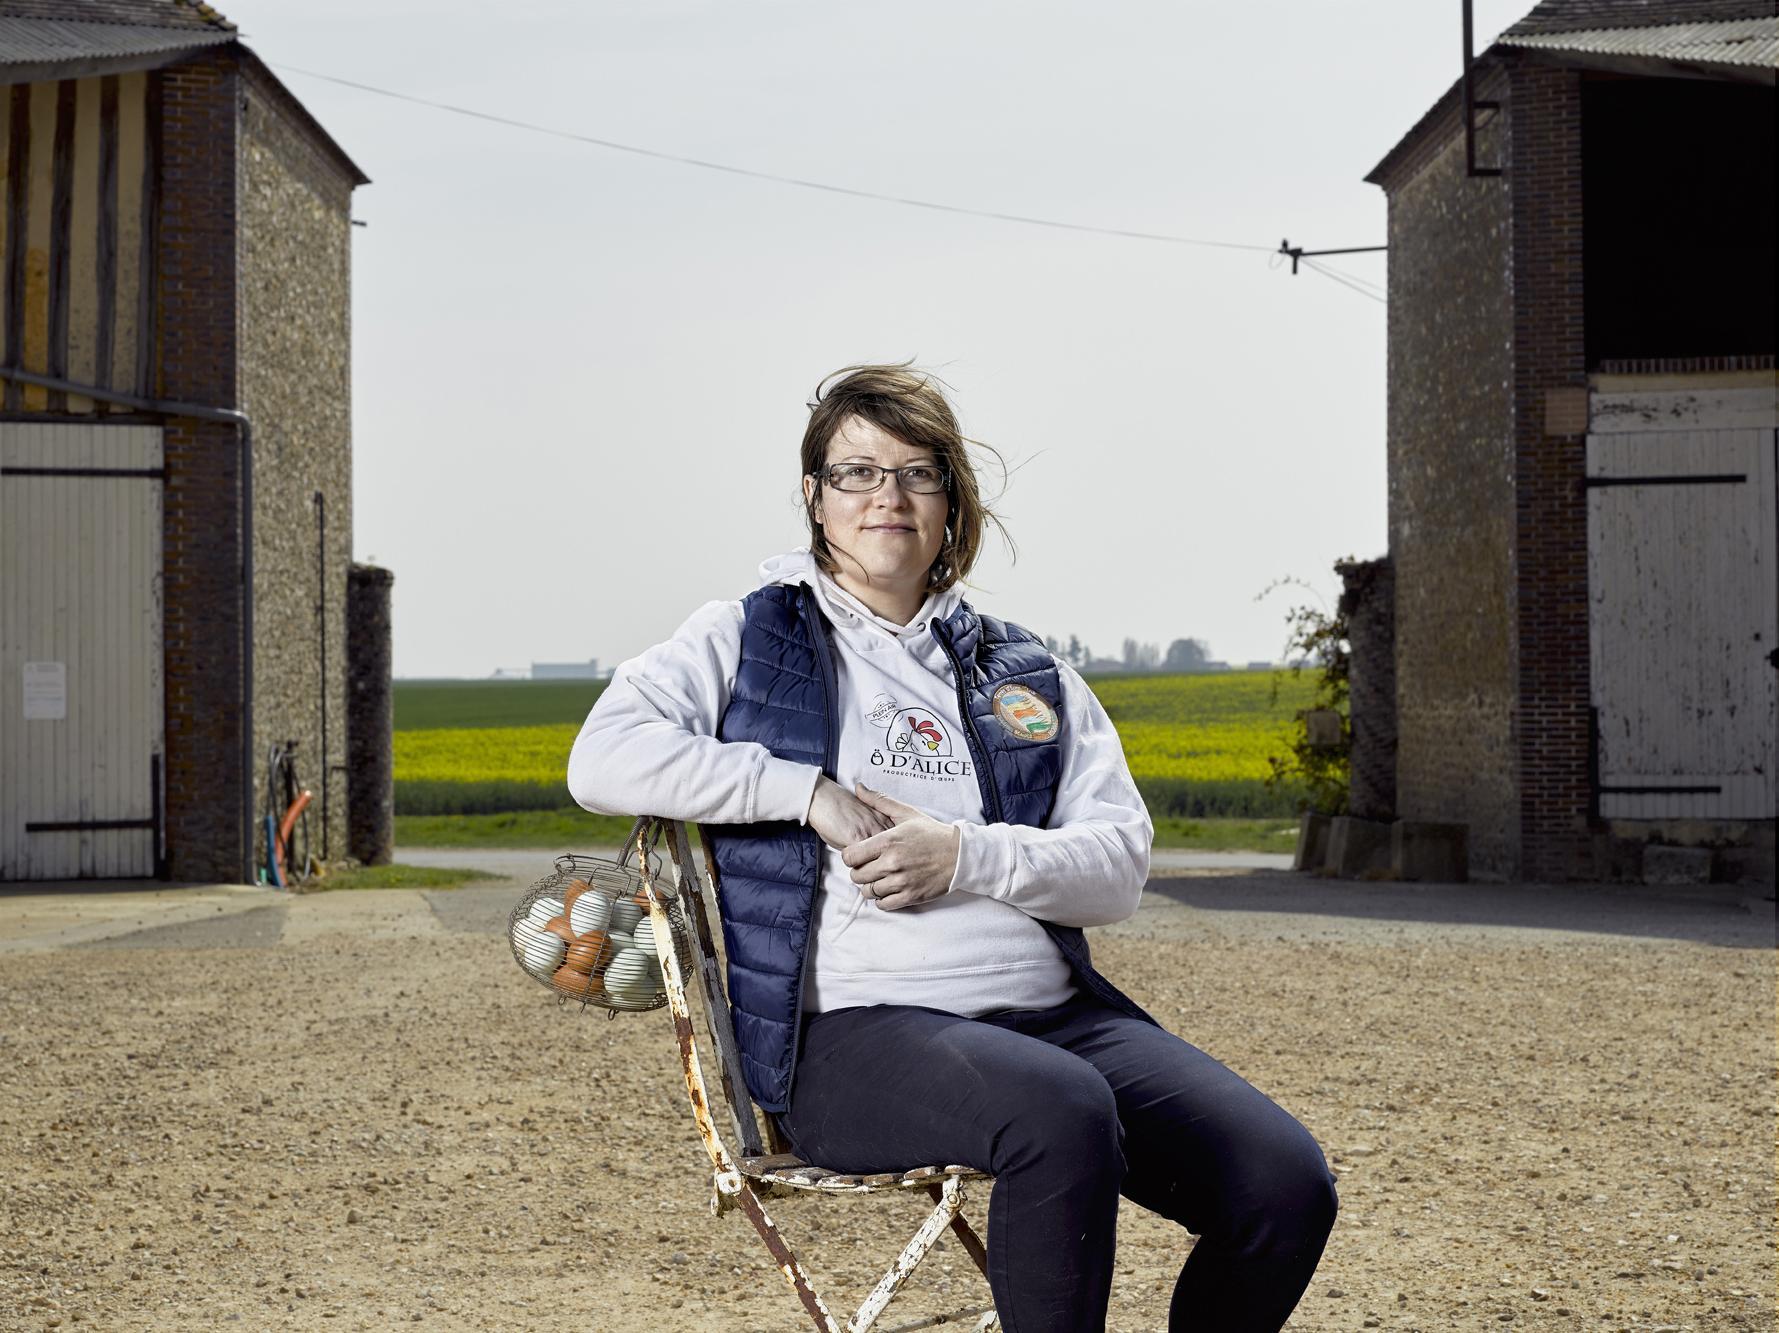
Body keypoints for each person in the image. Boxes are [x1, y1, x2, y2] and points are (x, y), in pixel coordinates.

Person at [567, 364, 1337, 1331]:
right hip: (853, 1038)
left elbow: (1116, 868)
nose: (886, 496)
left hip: (1056, 1021)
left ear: (950, 500)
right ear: (813, 497)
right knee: (1059, 1112)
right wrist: (807, 793)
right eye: (856, 472)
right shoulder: (744, 637)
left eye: (917, 473)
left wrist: (963, 853)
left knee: (1283, 1184)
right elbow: (600, 758)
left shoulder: (1025, 670)